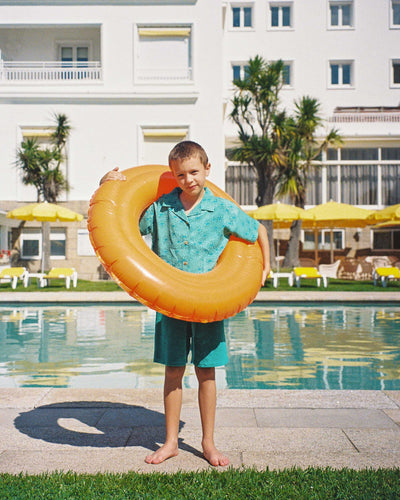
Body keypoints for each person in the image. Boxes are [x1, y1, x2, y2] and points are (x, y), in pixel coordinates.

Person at [100, 141, 270, 466]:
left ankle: (208, 443)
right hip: (170, 303)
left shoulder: (220, 209)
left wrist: (266, 266)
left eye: (194, 171)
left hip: (209, 303)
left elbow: (257, 230)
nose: (188, 179)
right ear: (173, 175)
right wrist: (106, 183)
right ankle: (170, 442)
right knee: (173, 371)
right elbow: (122, 224)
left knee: (207, 372)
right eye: (180, 174)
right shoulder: (162, 208)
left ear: (208, 170)